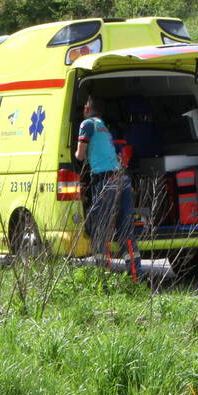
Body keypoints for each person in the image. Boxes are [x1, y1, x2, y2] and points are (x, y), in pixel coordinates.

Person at [75, 96, 141, 280]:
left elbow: (80, 156)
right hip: (123, 180)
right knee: (125, 230)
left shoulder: (87, 124)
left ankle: (102, 277)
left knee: (99, 228)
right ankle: (136, 277)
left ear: (88, 109)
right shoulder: (104, 127)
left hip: (106, 181)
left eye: (84, 106)